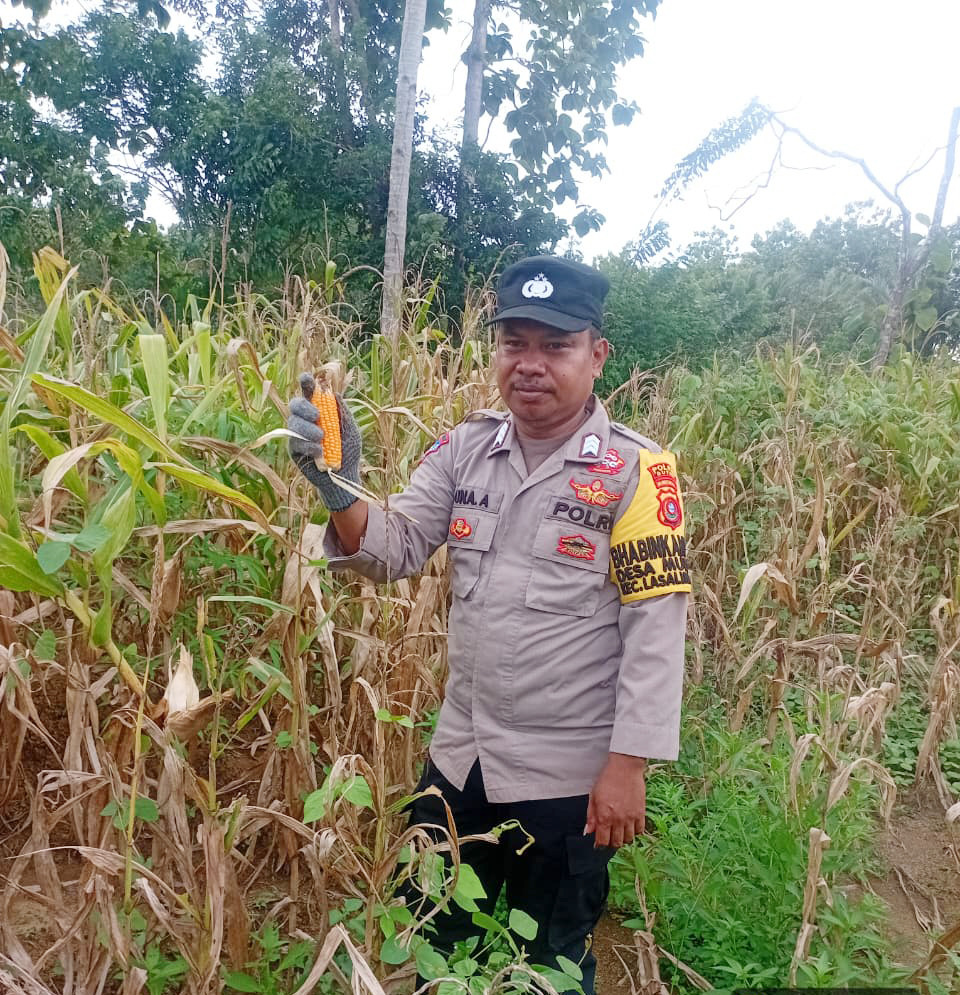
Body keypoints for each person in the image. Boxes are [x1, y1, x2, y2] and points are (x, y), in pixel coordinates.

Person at [288, 255, 691, 993]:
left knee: (550, 963)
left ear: (597, 355)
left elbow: (655, 631)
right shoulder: (466, 448)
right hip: (461, 758)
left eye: (555, 345)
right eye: (515, 343)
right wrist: (339, 490)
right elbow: (395, 546)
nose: (530, 364)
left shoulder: (639, 474)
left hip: (568, 780)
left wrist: (628, 766)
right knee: (436, 940)